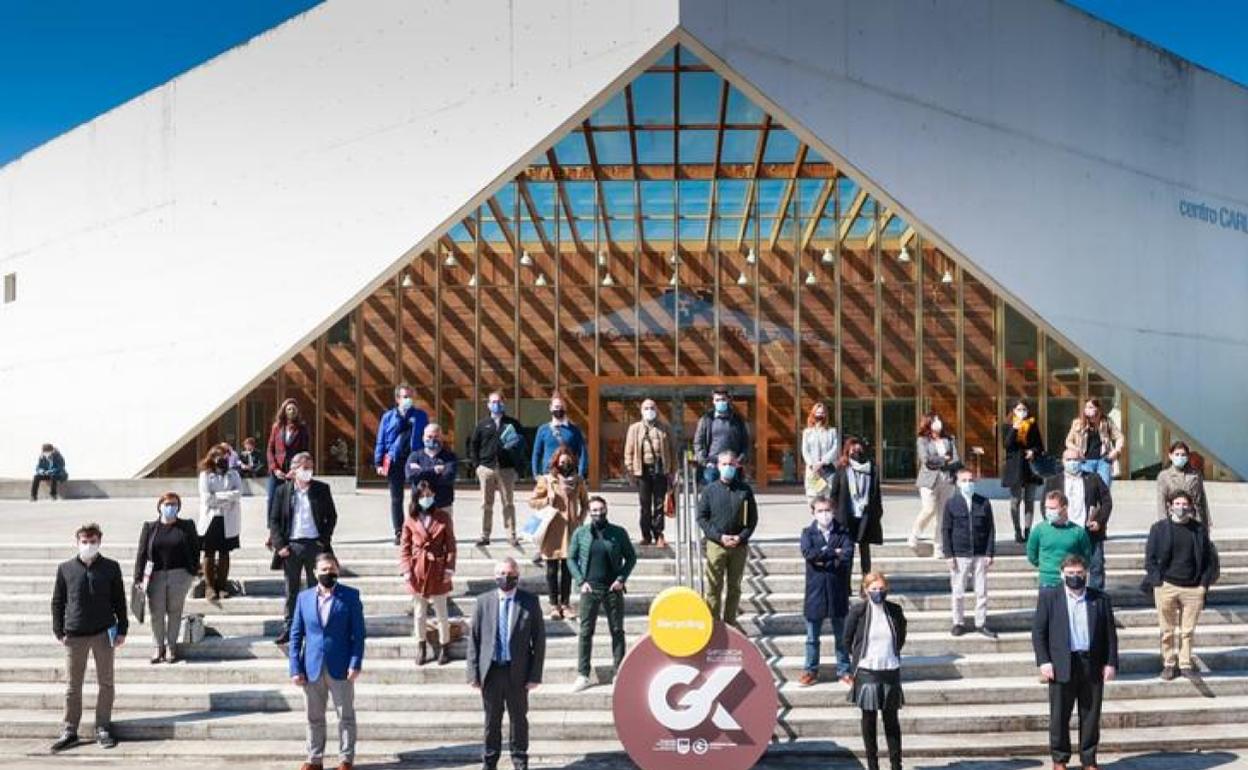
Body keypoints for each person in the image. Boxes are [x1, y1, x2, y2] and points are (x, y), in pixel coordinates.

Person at [1032, 554, 1119, 770]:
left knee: (1090, 714)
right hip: (1062, 662)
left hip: (1091, 662)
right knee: (1060, 715)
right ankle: (1059, 759)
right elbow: (1039, 632)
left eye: (1080, 573)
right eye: (1070, 574)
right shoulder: (1050, 597)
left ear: (1086, 574)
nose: (1075, 577)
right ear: (1062, 575)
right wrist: (1044, 661)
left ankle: (1089, 759)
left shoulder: (1100, 599)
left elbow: (1110, 634)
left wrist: (1110, 663)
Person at [50, 522, 127, 752]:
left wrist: (122, 628)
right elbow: (57, 602)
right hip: (75, 634)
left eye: (92, 541)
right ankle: (70, 729)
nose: (88, 545)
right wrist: (59, 630)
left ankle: (103, 727)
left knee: (106, 683)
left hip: (104, 632)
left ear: (99, 541)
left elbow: (119, 600)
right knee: (73, 685)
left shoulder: (111, 567)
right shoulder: (65, 568)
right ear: (77, 542)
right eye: (84, 541)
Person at [467, 558, 546, 770]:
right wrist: (473, 674)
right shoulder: (484, 602)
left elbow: (539, 641)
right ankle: (490, 761)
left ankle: (520, 760)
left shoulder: (530, 602)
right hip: (491, 671)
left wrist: (534, 675)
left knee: (519, 720)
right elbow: (474, 639)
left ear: (517, 576)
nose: (506, 578)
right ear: (495, 576)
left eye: (510, 574)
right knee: (491, 721)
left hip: (518, 673)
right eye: (502, 573)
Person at [289, 553, 365, 770]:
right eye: (323, 570)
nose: (328, 574)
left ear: (338, 570)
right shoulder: (303, 599)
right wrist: (295, 667)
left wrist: (355, 662)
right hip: (311, 666)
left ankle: (345, 759)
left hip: (341, 666)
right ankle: (314, 759)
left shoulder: (350, 596)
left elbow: (358, 634)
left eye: (331, 569)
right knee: (313, 716)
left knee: (345, 716)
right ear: (315, 573)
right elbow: (296, 635)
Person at [1143, 490, 1219, 681]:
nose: (1181, 507)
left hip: (1193, 588)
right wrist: (1157, 582)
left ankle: (1185, 663)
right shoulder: (1159, 529)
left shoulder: (1199, 529)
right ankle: (1169, 663)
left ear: (1191, 506)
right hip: (1166, 585)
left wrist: (1203, 585)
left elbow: (1209, 560)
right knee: (1167, 630)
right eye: (1177, 504)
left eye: (1184, 504)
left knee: (1188, 631)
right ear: (1170, 506)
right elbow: (1150, 559)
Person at [566, 496, 636, 692]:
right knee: (586, 632)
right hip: (590, 588)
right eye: (594, 510)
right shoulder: (581, 533)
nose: (597, 513)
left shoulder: (618, 533)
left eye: (600, 509)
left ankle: (618, 672)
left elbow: (631, 558)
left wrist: (621, 579)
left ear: (606, 509)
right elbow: (570, 558)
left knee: (617, 631)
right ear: (589, 512)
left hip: (612, 588)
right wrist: (581, 581)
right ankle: (583, 674)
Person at [270, 452, 338, 646]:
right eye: (304, 467)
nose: (308, 471)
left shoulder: (321, 489)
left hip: (314, 545)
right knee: (291, 590)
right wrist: (280, 545)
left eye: (310, 467)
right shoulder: (283, 491)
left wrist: (323, 541)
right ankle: (290, 628)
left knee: (314, 589)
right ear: (294, 469)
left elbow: (331, 517)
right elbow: (273, 520)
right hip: (291, 547)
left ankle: (314, 627)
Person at [845, 572, 907, 770]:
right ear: (865, 590)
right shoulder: (858, 611)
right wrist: (856, 662)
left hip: (889, 669)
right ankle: (873, 765)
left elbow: (901, 637)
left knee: (892, 721)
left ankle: (896, 764)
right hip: (867, 670)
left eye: (881, 589)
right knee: (869, 721)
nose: (878, 593)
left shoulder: (895, 610)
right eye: (873, 590)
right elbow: (847, 639)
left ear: (887, 589)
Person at [134, 493, 199, 664]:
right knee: (156, 612)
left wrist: (192, 572)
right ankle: (158, 646)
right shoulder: (150, 527)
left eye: (174, 504)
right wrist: (138, 578)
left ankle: (171, 646)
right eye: (167, 503)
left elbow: (195, 548)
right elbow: (141, 553)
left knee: (175, 611)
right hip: (155, 575)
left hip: (180, 575)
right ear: (160, 506)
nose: (171, 507)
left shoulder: (186, 526)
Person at [697, 450, 758, 625]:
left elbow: (752, 519)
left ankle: (730, 623)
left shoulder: (745, 490)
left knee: (734, 588)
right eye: (724, 464)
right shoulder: (710, 490)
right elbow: (702, 517)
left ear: (736, 466)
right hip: (716, 545)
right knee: (714, 587)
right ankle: (713, 624)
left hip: (739, 546)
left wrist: (742, 537)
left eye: (731, 464)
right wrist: (718, 536)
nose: (728, 467)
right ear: (718, 466)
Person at [399, 482, 457, 666]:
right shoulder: (410, 519)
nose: (427, 498)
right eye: (423, 495)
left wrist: (449, 568)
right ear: (416, 498)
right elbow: (404, 547)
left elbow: (451, 545)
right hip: (418, 569)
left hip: (438, 568)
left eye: (429, 494)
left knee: (441, 612)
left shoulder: (443, 517)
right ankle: (421, 646)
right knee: (419, 613)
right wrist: (406, 569)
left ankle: (444, 646)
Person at [799, 496, 854, 686]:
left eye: (827, 510)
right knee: (812, 637)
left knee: (841, 636)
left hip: (837, 589)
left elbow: (846, 555)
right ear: (813, 512)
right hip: (815, 591)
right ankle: (810, 670)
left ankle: (844, 670)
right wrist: (833, 552)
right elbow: (809, 555)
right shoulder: (807, 533)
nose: (824, 514)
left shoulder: (843, 532)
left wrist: (824, 555)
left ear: (834, 511)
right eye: (820, 511)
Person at [530, 447, 589, 619]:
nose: (565, 465)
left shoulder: (578, 481)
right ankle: (553, 604)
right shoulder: (547, 480)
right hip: (552, 529)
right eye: (562, 462)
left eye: (568, 462)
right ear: (556, 463)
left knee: (568, 569)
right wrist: (547, 500)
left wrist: (580, 519)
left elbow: (585, 503)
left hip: (571, 530)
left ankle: (566, 604)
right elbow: (532, 501)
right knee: (551, 570)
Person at [1045, 448, 1113, 590]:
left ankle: (1096, 599)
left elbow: (1107, 501)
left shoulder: (1093, 478)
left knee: (1096, 567)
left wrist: (1099, 521)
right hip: (1064, 532)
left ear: (1082, 461)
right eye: (1069, 460)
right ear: (1063, 462)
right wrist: (1053, 521)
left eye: (1076, 459)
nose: (1072, 463)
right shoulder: (1053, 481)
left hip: (1089, 532)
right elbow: (1044, 505)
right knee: (1065, 567)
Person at [941, 467, 997, 638]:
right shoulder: (951, 503)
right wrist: (949, 555)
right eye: (964, 480)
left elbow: (990, 530)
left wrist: (989, 553)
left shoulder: (984, 502)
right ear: (957, 483)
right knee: (958, 591)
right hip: (960, 554)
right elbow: (946, 530)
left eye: (971, 480)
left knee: (981, 591)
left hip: (980, 554)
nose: (968, 483)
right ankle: (958, 622)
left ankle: (980, 623)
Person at [468, 391, 527, 547]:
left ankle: (511, 535)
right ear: (488, 404)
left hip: (506, 469)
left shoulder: (512, 424)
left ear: (504, 403)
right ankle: (485, 535)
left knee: (508, 503)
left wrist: (517, 467)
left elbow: (522, 446)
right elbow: (473, 445)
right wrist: (477, 465)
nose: (496, 404)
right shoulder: (482, 424)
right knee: (486, 504)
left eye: (499, 401)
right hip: (486, 468)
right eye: (493, 402)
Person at [374, 384, 430, 545]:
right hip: (394, 460)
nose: (409, 399)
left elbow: (427, 437)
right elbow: (381, 440)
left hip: (414, 459)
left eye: (411, 396)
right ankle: (399, 531)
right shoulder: (388, 416)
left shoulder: (420, 415)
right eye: (405, 396)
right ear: (397, 399)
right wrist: (378, 462)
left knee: (417, 496)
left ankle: (416, 529)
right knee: (396, 498)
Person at [827, 436, 883, 577]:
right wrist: (832, 513)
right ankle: (846, 585)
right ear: (847, 450)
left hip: (865, 514)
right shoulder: (842, 468)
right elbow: (834, 492)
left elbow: (876, 493)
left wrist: (878, 513)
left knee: (865, 550)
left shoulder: (872, 468)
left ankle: (867, 583)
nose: (856, 450)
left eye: (859, 447)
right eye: (853, 447)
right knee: (848, 550)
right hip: (847, 515)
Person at [623, 399, 675, 547]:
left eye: (652, 407)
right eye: (646, 408)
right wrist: (630, 470)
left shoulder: (664, 428)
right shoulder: (634, 429)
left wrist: (673, 471)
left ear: (656, 410)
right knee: (645, 505)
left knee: (659, 504)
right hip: (642, 471)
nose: (649, 410)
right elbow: (628, 451)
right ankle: (646, 535)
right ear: (641, 410)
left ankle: (659, 534)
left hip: (660, 470)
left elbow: (672, 449)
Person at [909, 412, 959, 555]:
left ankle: (939, 546)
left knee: (943, 515)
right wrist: (944, 459)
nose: (938, 422)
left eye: (939, 419)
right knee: (929, 509)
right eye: (935, 420)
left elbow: (955, 459)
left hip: (947, 480)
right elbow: (926, 459)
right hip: (928, 481)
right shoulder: (923, 440)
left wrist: (949, 463)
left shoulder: (949, 439)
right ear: (928, 423)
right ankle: (915, 534)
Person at [197, 446, 243, 601]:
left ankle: (222, 586)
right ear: (212, 457)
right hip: (211, 519)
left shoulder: (234, 474)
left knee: (225, 552)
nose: (223, 458)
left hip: (228, 519)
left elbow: (238, 494)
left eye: (225, 456)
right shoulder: (205, 475)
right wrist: (227, 499)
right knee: (209, 553)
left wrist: (219, 498)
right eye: (219, 456)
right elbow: (207, 499)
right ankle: (210, 587)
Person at [1027, 491, 1093, 589]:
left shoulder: (1078, 532)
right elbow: (1032, 555)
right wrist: (1047, 567)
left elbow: (1086, 557)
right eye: (1047, 507)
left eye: (1053, 508)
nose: (1048, 511)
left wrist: (1074, 571)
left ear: (1064, 508)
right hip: (1047, 582)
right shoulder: (1039, 530)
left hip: (1072, 582)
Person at [1001, 401, 1045, 543]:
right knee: (1015, 500)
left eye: (1024, 409)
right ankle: (1017, 530)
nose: (1022, 412)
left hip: (1030, 466)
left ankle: (1027, 530)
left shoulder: (1032, 425)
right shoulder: (1007, 425)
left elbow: (1039, 446)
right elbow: (1007, 444)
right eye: (1019, 409)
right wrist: (1015, 428)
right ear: (1013, 410)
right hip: (1015, 467)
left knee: (1029, 500)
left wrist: (1033, 451)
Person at [692, 388, 750, 485]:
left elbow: (745, 442)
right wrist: (704, 462)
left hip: (732, 465)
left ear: (728, 400)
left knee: (733, 495)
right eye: (717, 400)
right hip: (712, 466)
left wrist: (740, 460)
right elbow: (698, 442)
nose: (720, 402)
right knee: (712, 495)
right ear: (713, 401)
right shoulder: (706, 419)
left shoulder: (737, 420)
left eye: (723, 399)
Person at [1064, 397, 1122, 489]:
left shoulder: (1106, 422)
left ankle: (1102, 504)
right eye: (1086, 407)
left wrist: (1116, 451)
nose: (1088, 410)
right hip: (1085, 461)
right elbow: (1068, 441)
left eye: (1091, 407)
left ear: (1098, 408)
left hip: (1103, 461)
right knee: (1088, 490)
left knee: (1104, 489)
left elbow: (1119, 437)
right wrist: (1077, 450)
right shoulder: (1078, 423)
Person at [530, 392, 589, 479]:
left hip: (569, 475)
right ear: (550, 408)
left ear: (566, 408)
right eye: (556, 407)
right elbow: (536, 453)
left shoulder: (575, 430)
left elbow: (583, 453)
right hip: (548, 474)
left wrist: (581, 473)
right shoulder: (543, 430)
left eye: (562, 407)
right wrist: (536, 473)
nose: (559, 410)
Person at [1156, 440, 1211, 528]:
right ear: (1170, 456)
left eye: (1183, 455)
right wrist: (1163, 526)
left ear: (1188, 456)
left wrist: (1206, 524)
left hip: (1193, 519)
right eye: (1177, 454)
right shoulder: (1164, 476)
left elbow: (1202, 501)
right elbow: (1161, 503)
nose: (1180, 457)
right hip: (1173, 520)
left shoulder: (1195, 475)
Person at [405, 423, 458, 514]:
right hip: (419, 505)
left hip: (442, 505)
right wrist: (434, 470)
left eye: (436, 436)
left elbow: (448, 477)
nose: (432, 439)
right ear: (423, 438)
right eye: (429, 437)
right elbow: (410, 475)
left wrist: (421, 474)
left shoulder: (450, 457)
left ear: (441, 438)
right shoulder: (415, 456)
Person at [267, 397, 312, 503]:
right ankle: (272, 520)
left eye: (294, 409)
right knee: (272, 500)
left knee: (291, 502)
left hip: (294, 471)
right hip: (277, 470)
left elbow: (305, 452)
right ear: (284, 411)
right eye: (289, 409)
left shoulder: (302, 428)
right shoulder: (276, 427)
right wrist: (275, 469)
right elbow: (270, 449)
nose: (291, 411)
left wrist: (296, 469)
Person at [801, 401, 839, 500]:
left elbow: (835, 448)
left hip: (828, 469)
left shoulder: (832, 431)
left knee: (829, 497)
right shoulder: (807, 432)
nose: (819, 415)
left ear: (826, 415)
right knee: (814, 497)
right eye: (817, 413)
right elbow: (805, 450)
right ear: (813, 414)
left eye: (822, 413)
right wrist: (812, 464)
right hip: (813, 470)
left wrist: (822, 462)